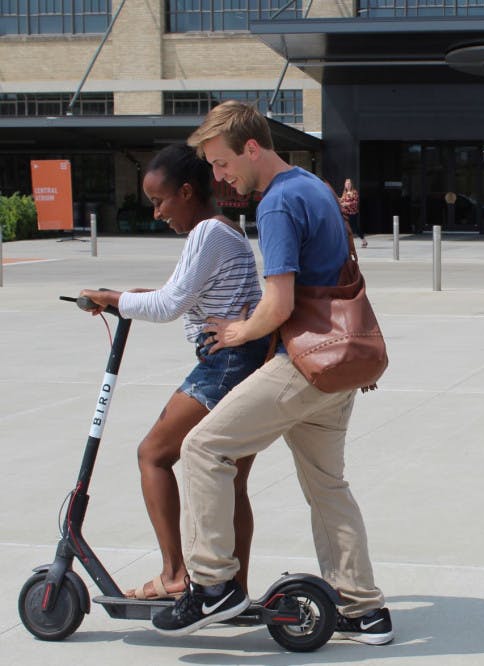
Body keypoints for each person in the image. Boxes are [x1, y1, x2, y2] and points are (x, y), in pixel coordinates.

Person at [152, 100, 392, 644]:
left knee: (203, 448)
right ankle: (364, 610)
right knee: (328, 487)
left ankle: (213, 584)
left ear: (252, 148)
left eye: (221, 163)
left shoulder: (278, 204)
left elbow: (279, 304)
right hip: (337, 365)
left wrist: (238, 331)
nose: (218, 175)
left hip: (303, 366)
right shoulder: (315, 187)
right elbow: (336, 279)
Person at [79, 143, 268, 601]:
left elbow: (167, 306)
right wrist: (128, 296)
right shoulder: (224, 231)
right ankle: (234, 588)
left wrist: (118, 301)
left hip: (225, 366)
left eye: (160, 201)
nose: (158, 212)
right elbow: (180, 294)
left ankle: (174, 575)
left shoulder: (207, 233)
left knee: (154, 455)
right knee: (232, 481)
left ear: (186, 191)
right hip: (247, 362)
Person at [338, 177, 366, 247]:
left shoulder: (354, 192)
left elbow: (355, 202)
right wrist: (338, 199)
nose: (348, 185)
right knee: (344, 227)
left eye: (349, 183)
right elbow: (342, 200)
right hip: (346, 213)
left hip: (353, 213)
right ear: (345, 185)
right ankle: (346, 243)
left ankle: (364, 241)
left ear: (351, 184)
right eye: (346, 184)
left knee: (355, 228)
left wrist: (346, 204)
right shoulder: (344, 193)